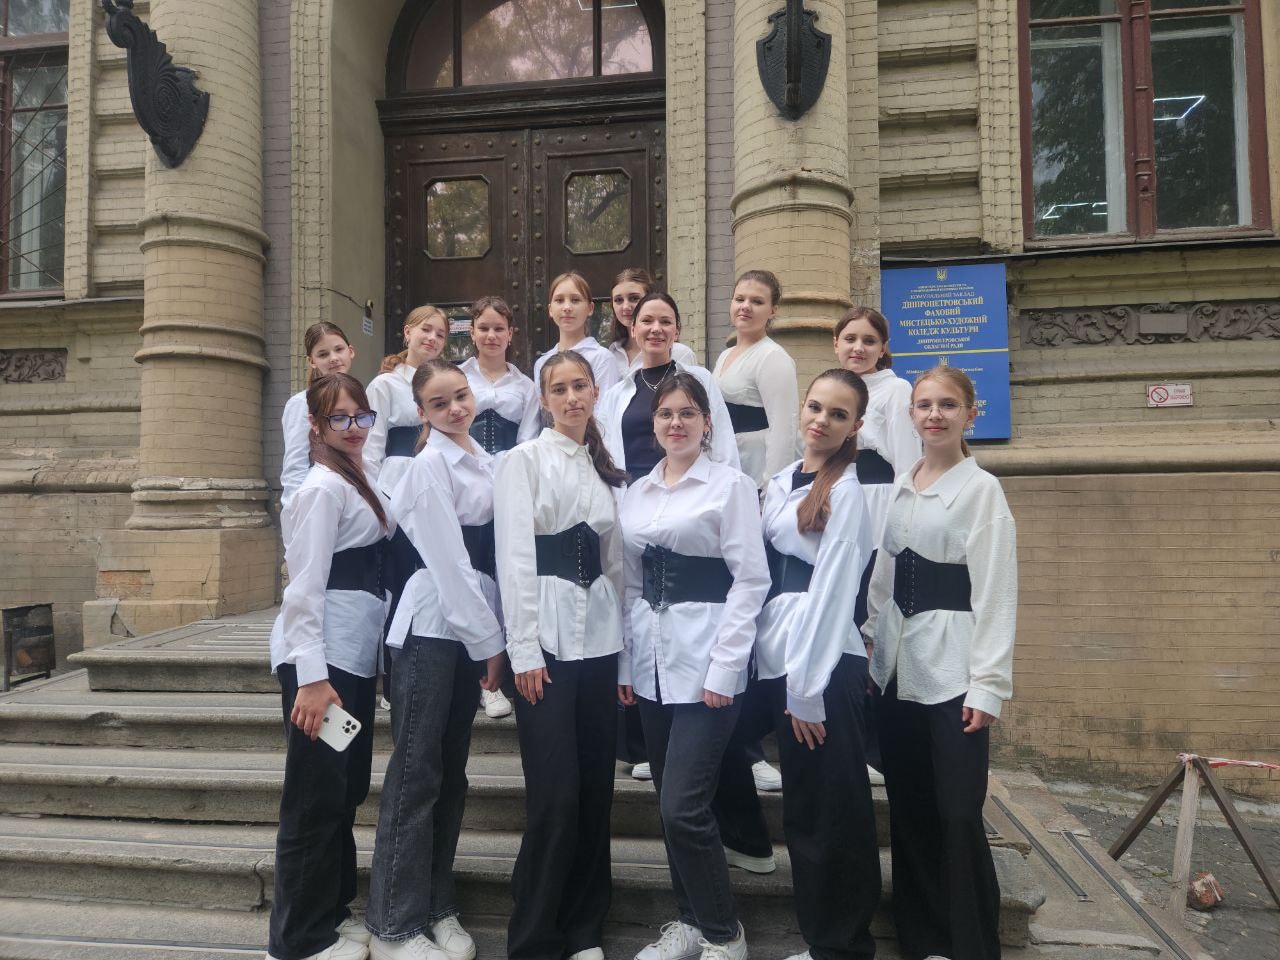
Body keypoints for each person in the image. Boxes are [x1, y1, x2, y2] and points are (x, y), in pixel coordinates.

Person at [862, 366, 1017, 960]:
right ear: (911, 414)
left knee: (957, 812)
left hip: (954, 670)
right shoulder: (902, 484)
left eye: (948, 404)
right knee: (911, 807)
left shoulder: (982, 491)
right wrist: (871, 642)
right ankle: (922, 938)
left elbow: (996, 592)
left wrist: (988, 685)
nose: (934, 414)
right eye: (925, 404)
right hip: (898, 667)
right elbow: (883, 574)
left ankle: (971, 945)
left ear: (969, 414)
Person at [619, 374, 769, 960]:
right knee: (668, 804)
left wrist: (727, 666)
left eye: (687, 413)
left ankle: (725, 934)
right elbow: (631, 583)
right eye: (665, 414)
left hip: (707, 661)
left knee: (683, 806)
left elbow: (750, 579)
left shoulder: (730, 486)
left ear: (707, 422)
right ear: (653, 424)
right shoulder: (638, 491)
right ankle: (690, 922)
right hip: (652, 662)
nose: (675, 423)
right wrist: (627, 665)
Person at [364, 360, 509, 960]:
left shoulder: (488, 460)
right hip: (430, 628)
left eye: (461, 396)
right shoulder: (427, 466)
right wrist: (489, 645)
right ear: (421, 412)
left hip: (471, 624)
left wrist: (493, 634)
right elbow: (449, 563)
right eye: (439, 403)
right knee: (416, 772)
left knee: (451, 772)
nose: (455, 409)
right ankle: (392, 923)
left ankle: (437, 903)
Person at [494, 350, 628, 960]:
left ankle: (583, 927)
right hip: (544, 643)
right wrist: (523, 651)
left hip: (599, 641)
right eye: (560, 388)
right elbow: (514, 558)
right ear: (544, 399)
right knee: (555, 795)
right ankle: (534, 936)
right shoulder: (523, 461)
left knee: (596, 789)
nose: (572, 397)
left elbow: (616, 565)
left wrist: (624, 656)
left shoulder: (605, 469)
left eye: (581, 386)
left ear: (595, 393)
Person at [755, 369, 881, 960]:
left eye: (838, 414)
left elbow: (833, 593)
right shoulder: (782, 481)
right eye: (815, 407)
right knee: (805, 808)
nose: (821, 420)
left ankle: (843, 946)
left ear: (855, 426)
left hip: (824, 667)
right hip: (780, 656)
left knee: (833, 810)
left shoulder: (847, 491)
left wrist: (806, 690)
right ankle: (823, 939)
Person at [266, 372, 393, 960]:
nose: (353, 427)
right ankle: (298, 939)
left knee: (342, 789)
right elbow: (303, 588)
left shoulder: (357, 476)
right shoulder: (321, 488)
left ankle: (333, 913)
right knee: (314, 796)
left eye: (361, 416)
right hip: (323, 665)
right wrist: (312, 679)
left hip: (354, 656)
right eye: (339, 418)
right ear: (315, 426)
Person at [834, 305, 921, 786]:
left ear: (883, 347)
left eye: (868, 340)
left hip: (877, 508)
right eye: (850, 338)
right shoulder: (834, 387)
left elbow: (906, 464)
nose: (858, 348)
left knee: (871, 624)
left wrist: (898, 529)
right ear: (836, 343)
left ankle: (874, 749)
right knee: (841, 621)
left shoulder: (896, 390)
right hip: (839, 508)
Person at [364, 304, 450, 706]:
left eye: (440, 334)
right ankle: (393, 677)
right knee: (399, 581)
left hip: (435, 489)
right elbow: (371, 448)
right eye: (425, 330)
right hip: (395, 492)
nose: (432, 338)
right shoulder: (385, 385)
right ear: (407, 332)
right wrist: (379, 502)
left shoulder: (442, 382)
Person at [597, 292, 738, 484]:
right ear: (633, 329)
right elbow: (606, 456)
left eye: (665, 322)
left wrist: (728, 490)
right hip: (630, 496)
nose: (656, 329)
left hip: (690, 492)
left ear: (677, 331)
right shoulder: (615, 395)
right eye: (647, 321)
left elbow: (723, 444)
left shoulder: (700, 380)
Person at [713, 270, 799, 490]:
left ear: (772, 310)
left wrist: (773, 487)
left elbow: (783, 429)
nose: (745, 306)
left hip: (755, 470)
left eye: (757, 301)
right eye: (739, 299)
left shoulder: (773, 357)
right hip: (725, 465)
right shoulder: (725, 355)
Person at [281, 321, 356, 510]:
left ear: (350, 351)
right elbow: (295, 465)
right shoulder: (301, 403)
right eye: (323, 354)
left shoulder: (359, 399)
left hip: (356, 499)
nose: (334, 358)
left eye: (339, 349)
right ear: (312, 361)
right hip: (320, 503)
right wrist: (297, 512)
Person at [459, 295, 541, 458]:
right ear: (472, 333)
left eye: (498, 329)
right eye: (483, 328)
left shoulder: (526, 386)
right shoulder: (456, 377)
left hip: (511, 467)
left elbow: (528, 441)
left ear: (509, 333)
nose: (491, 336)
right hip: (463, 467)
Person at [531, 272, 620, 396]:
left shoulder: (602, 358)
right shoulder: (542, 363)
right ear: (550, 309)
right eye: (559, 300)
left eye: (575, 300)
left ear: (590, 308)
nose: (567, 307)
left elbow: (605, 406)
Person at [607, 267, 696, 376]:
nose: (626, 307)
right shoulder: (611, 353)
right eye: (618, 300)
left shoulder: (680, 353)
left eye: (634, 298)